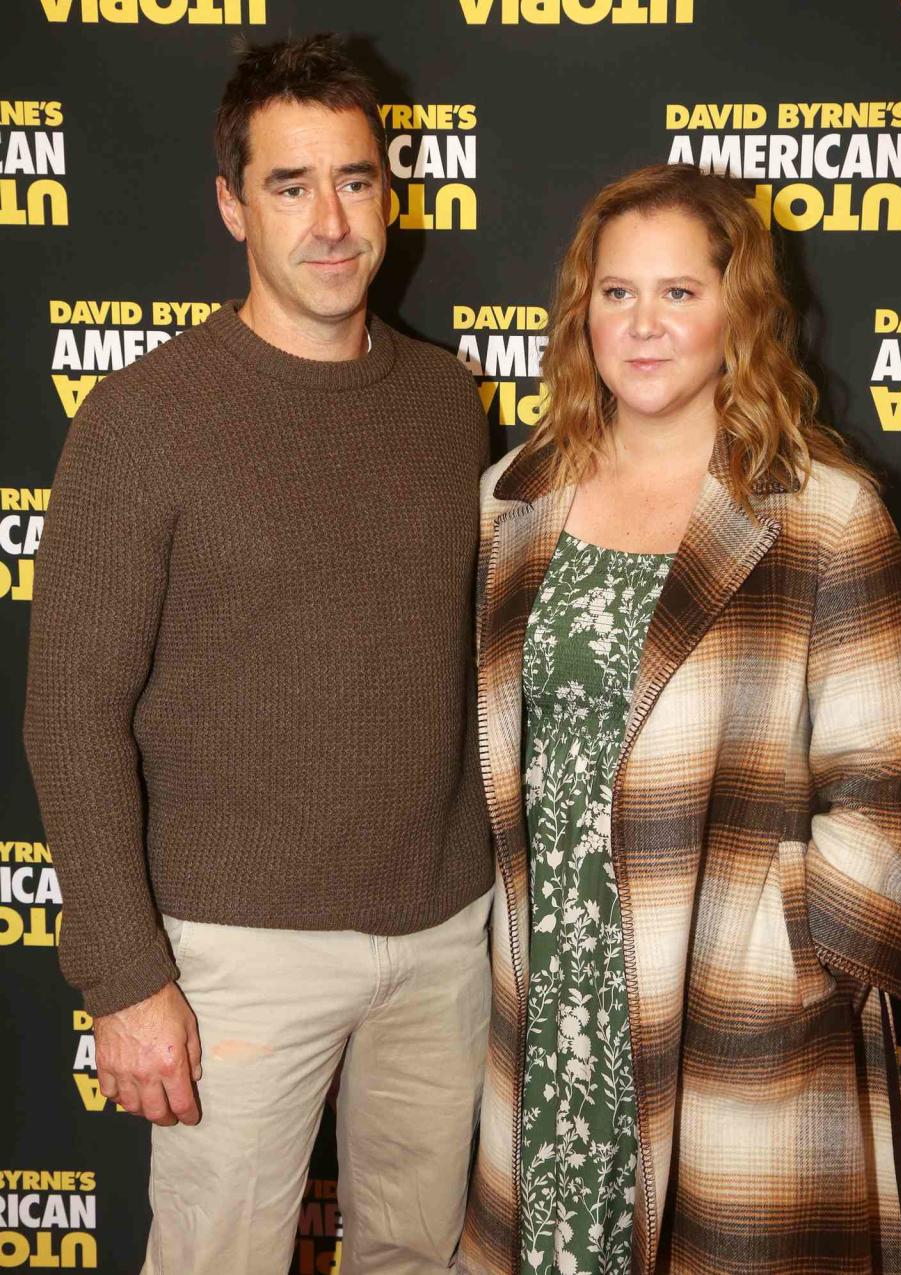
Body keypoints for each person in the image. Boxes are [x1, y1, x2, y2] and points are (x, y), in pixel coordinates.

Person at [24, 35, 493, 1275]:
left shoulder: (452, 407)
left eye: (356, 180)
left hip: (446, 936)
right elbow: (70, 715)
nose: (331, 221)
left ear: (392, 196)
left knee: (419, 1257)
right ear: (234, 203)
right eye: (292, 185)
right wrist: (124, 977)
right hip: (233, 954)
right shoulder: (140, 420)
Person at [457, 163, 901, 1275]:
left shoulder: (822, 509)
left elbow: (887, 772)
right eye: (617, 293)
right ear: (581, 311)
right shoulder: (513, 499)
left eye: (680, 293)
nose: (643, 326)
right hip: (553, 1005)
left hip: (741, 1001)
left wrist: (800, 953)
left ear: (737, 311)